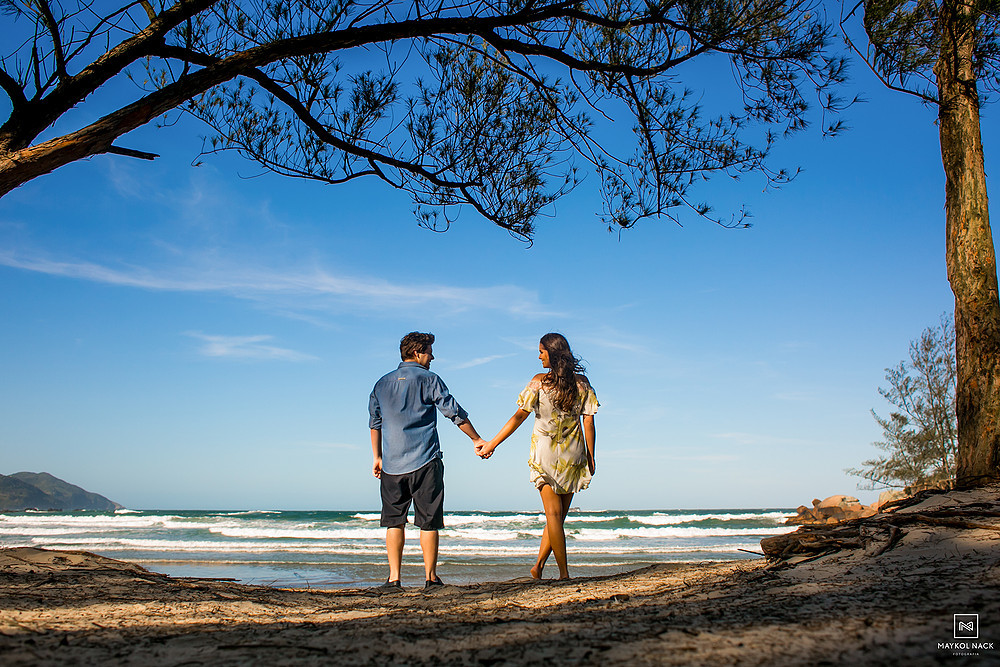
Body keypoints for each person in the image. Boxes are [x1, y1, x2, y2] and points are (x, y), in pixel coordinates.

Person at [369, 331, 487, 591]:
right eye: (429, 351)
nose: (432, 356)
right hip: (425, 460)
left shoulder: (381, 383)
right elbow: (453, 412)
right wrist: (476, 439)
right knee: (429, 521)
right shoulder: (430, 379)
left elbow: (375, 423)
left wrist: (377, 456)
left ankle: (393, 579)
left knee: (393, 520)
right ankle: (431, 579)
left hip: (391, 464)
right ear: (417, 352)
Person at [477, 333, 598, 580]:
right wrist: (591, 455)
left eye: (541, 351)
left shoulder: (539, 382)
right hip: (573, 454)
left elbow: (518, 417)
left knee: (553, 517)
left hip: (545, 454)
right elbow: (589, 422)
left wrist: (493, 443)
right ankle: (539, 567)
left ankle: (563, 574)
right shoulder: (583, 383)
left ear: (552, 354)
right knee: (557, 518)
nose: (539, 355)